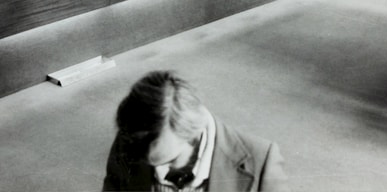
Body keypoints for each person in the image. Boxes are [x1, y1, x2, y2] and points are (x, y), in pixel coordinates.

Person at [103, 70, 290, 192]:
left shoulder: (262, 162)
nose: (159, 171)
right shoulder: (130, 141)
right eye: (151, 163)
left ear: (194, 134)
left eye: (170, 160)